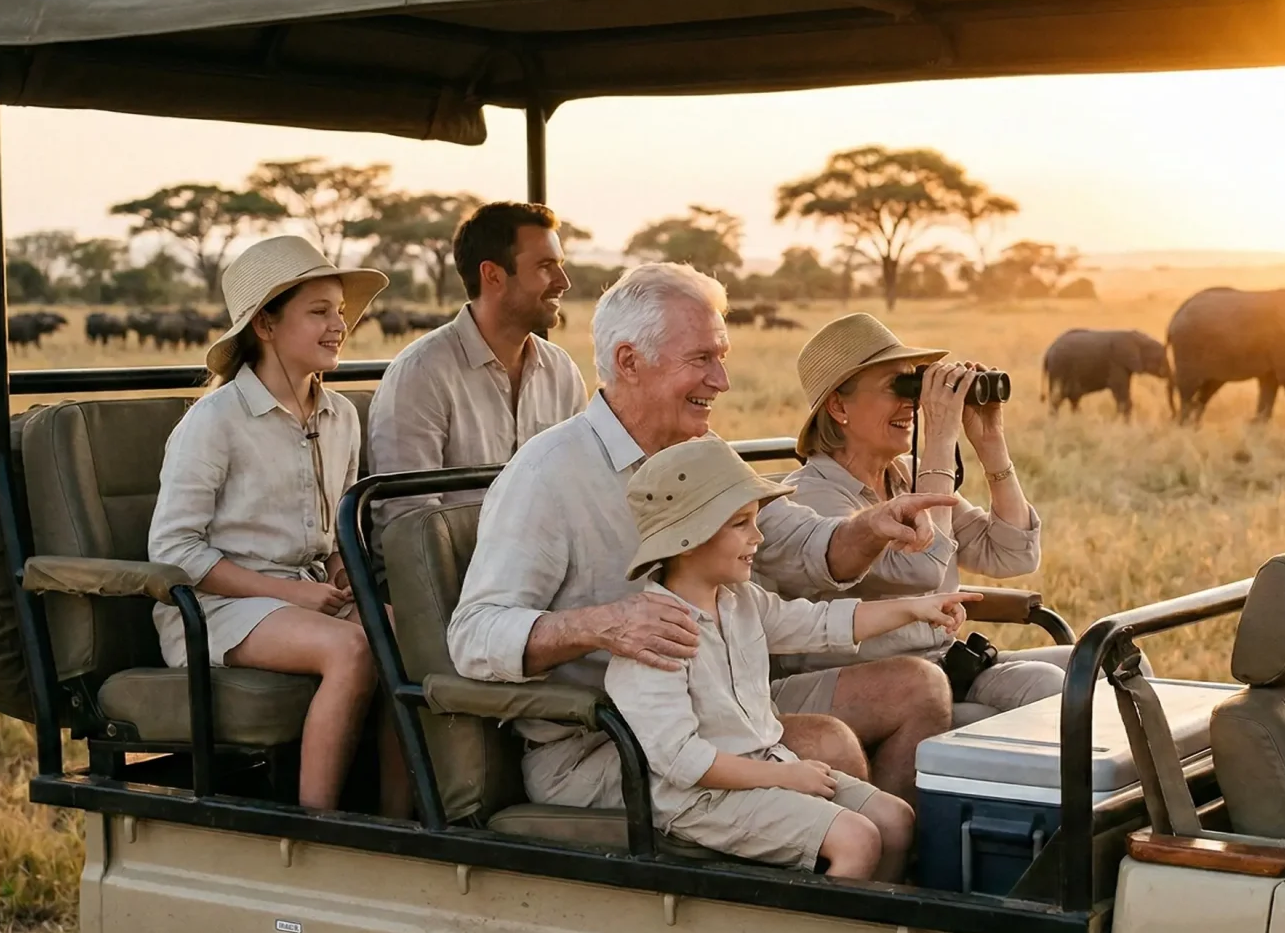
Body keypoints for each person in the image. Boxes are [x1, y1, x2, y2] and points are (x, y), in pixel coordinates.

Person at [447, 263, 960, 810]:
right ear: (629, 361)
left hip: (725, 699)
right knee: (826, 747)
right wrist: (602, 626)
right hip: (610, 736)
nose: (722, 381)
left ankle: (895, 869)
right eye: (701, 359)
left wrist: (871, 526)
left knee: (919, 686)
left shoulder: (703, 452)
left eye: (722, 357)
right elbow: (473, 637)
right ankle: (853, 876)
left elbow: (800, 545)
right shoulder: (547, 475)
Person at [606, 436, 978, 878]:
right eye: (741, 523)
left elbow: (821, 623)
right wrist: (786, 777)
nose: (757, 537)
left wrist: (915, 608)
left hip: (768, 768)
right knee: (858, 840)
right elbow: (684, 763)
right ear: (689, 538)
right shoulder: (655, 635)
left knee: (896, 822)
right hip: (699, 801)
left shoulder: (740, 602)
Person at [147, 235, 407, 814]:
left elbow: (340, 527)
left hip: (305, 593)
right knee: (352, 650)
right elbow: (173, 552)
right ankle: (317, 825)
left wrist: (344, 573)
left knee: (399, 629)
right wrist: (289, 593)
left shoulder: (340, 415)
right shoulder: (214, 421)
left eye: (340, 311)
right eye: (319, 312)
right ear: (265, 324)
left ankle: (401, 825)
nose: (338, 325)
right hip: (215, 607)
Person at [779, 313, 1064, 734]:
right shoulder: (809, 498)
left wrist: (990, 442)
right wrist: (941, 440)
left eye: (914, 383)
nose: (912, 402)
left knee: (1113, 663)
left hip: (946, 663)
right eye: (898, 387)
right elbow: (922, 566)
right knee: (1047, 696)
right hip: (874, 692)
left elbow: (1012, 554)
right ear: (839, 406)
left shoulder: (903, 478)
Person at [366, 201, 583, 542]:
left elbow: (579, 492)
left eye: (560, 266)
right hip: (454, 581)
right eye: (545, 267)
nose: (563, 282)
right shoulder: (420, 375)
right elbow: (410, 526)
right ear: (493, 275)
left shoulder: (561, 371)